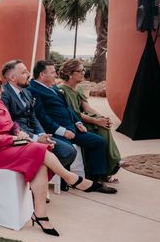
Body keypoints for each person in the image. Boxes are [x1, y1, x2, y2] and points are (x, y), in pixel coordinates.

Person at [0, 72, 105, 236]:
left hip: (11, 147)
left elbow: (12, 124)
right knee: (38, 149)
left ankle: (40, 215)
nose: (2, 91)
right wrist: (13, 139)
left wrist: (19, 132)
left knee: (40, 162)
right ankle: (71, 178)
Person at [29, 60, 117, 193]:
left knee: (98, 141)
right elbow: (42, 117)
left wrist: (78, 122)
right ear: (42, 74)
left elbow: (68, 108)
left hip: (72, 128)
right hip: (55, 131)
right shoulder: (33, 90)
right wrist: (63, 131)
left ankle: (95, 179)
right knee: (68, 150)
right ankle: (66, 181)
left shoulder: (52, 87)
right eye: (53, 72)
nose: (56, 75)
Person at [1, 59, 77, 190]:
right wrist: (36, 139)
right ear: (13, 77)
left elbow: (33, 116)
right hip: (19, 137)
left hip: (35, 133)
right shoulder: (4, 94)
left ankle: (36, 181)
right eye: (24, 72)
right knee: (56, 153)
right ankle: (37, 185)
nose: (29, 74)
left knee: (69, 152)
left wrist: (42, 135)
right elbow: (9, 123)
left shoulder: (26, 92)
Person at [59, 59, 122, 181]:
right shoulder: (61, 90)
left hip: (83, 120)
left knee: (104, 126)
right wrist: (96, 121)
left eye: (84, 70)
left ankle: (111, 164)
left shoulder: (78, 89)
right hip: (73, 123)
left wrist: (102, 117)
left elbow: (87, 108)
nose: (84, 72)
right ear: (70, 74)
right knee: (101, 130)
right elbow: (74, 114)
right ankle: (110, 165)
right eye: (80, 70)